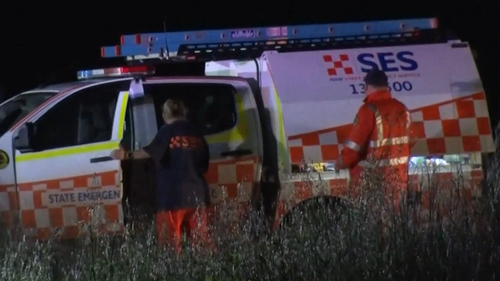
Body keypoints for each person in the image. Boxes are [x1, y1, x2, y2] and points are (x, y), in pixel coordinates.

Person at [110, 99, 210, 253]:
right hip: (199, 197)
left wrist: (124, 154)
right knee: (201, 245)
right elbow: (204, 165)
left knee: (171, 247)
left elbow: (150, 152)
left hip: (172, 199)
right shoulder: (197, 134)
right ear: (184, 112)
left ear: (164, 115)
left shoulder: (167, 131)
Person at [335, 68, 413, 212]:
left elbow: (354, 147)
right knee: (393, 222)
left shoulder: (368, 110)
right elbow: (412, 140)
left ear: (366, 86)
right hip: (398, 179)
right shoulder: (403, 109)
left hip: (373, 181)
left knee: (372, 225)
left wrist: (341, 162)